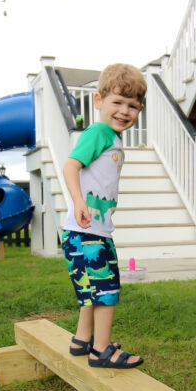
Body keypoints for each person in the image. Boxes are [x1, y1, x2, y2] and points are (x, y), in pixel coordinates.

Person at [61, 62, 146, 370]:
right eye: (118, 102)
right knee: (106, 290)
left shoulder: (112, 138)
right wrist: (79, 201)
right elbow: (70, 166)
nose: (125, 111)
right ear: (99, 101)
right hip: (88, 233)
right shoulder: (98, 132)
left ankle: (82, 340)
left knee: (91, 290)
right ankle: (101, 351)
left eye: (133, 106)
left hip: (85, 233)